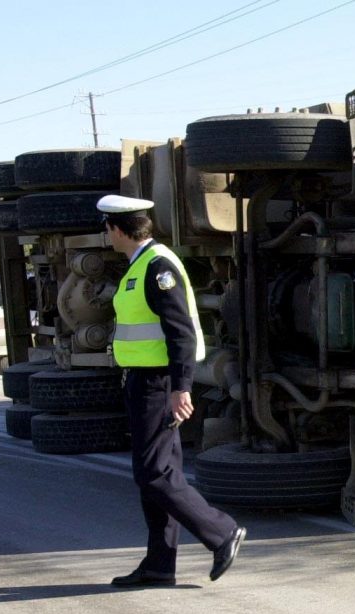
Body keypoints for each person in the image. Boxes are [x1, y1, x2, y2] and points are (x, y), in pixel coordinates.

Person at [98, 194, 245, 587]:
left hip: (159, 384)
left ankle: (222, 532)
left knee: (154, 474)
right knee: (156, 473)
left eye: (107, 227)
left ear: (117, 228)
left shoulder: (157, 267)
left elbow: (180, 333)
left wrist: (181, 388)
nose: (106, 234)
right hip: (143, 382)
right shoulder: (139, 265)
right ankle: (159, 565)